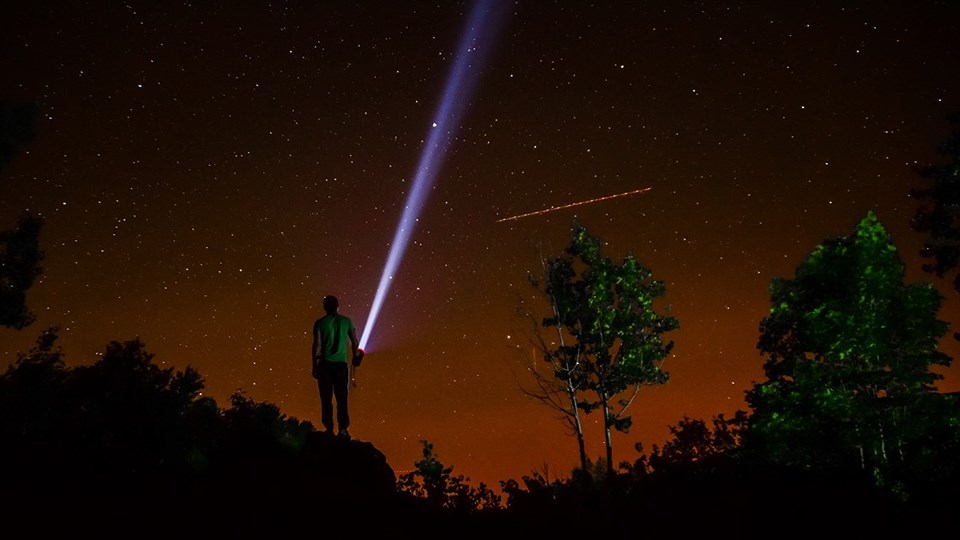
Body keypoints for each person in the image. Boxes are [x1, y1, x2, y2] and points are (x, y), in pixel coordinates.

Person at [311, 295, 360, 440]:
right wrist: (356, 356)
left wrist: (314, 365)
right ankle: (343, 429)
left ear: (325, 307)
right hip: (341, 366)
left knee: (326, 398)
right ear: (337, 306)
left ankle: (329, 429)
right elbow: (355, 342)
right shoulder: (346, 322)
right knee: (342, 398)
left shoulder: (320, 323)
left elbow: (317, 346)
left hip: (324, 365)